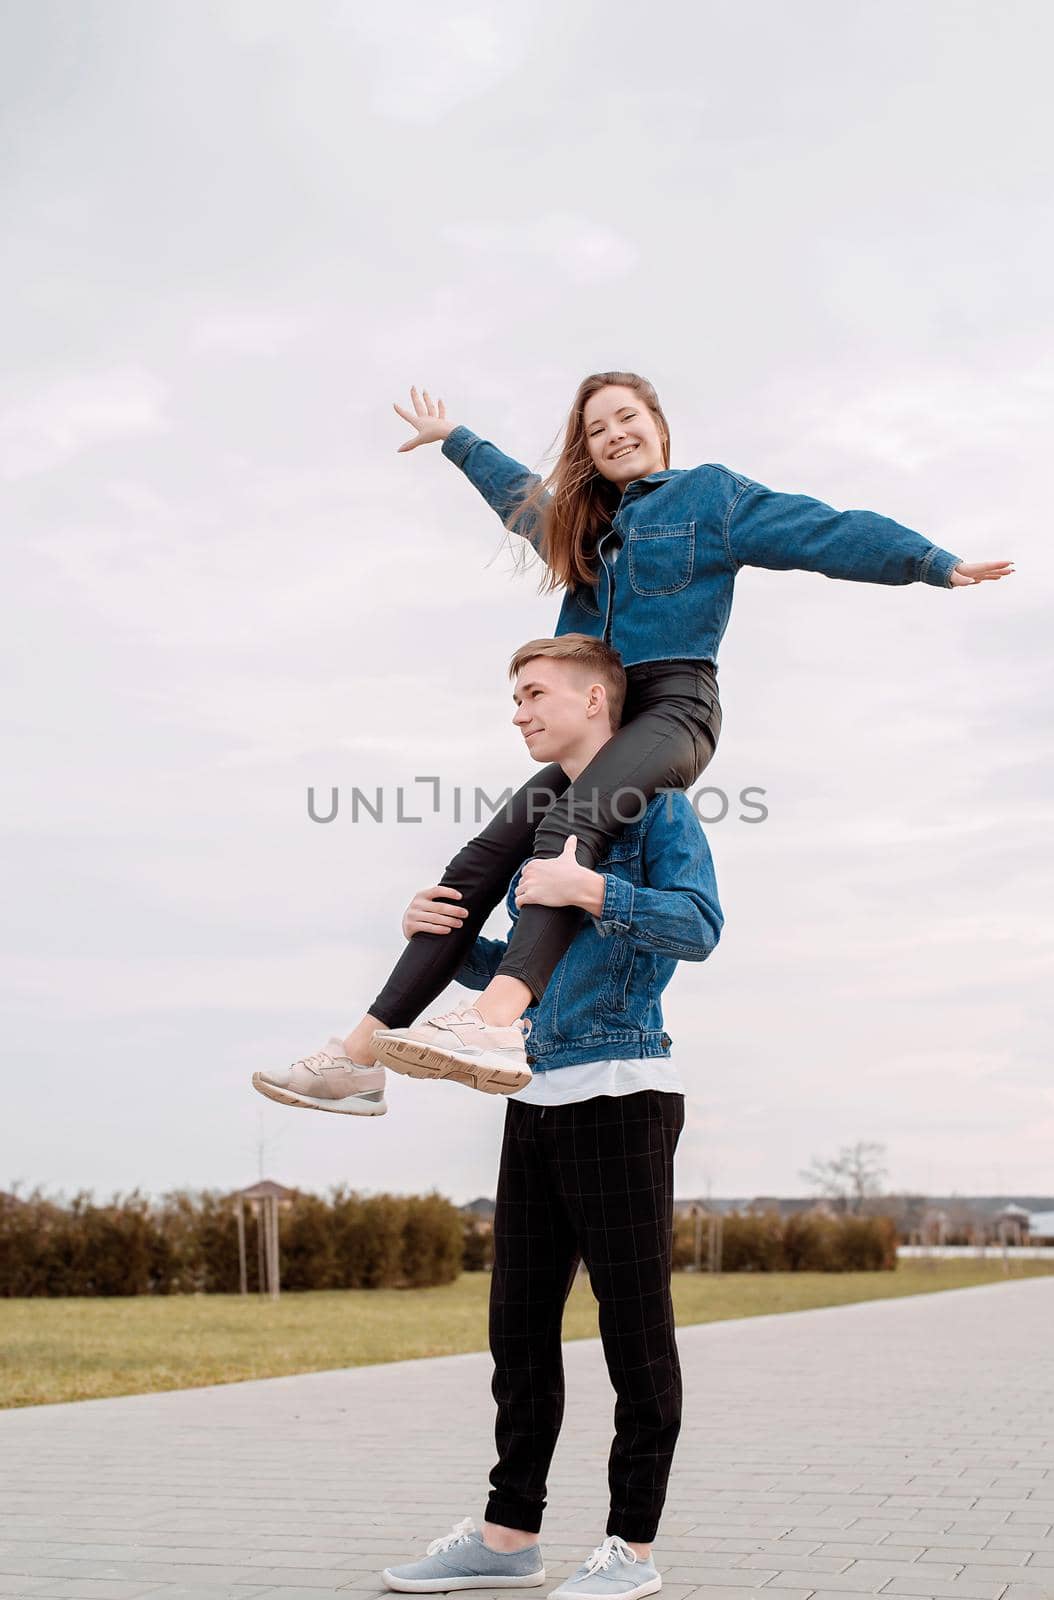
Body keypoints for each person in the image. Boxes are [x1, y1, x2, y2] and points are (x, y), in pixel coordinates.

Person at [253, 371, 1012, 1110]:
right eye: (596, 428)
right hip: (600, 721)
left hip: (673, 707)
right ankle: (358, 1057)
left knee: (572, 823)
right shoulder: (582, 527)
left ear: (658, 425)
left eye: (626, 418)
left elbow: (820, 529)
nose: (614, 435)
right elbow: (522, 500)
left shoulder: (708, 497)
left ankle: (495, 1023)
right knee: (479, 861)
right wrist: (457, 438)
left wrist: (930, 563)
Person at [378, 635, 722, 1600]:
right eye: (514, 697)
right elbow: (530, 970)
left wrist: (595, 888)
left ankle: (632, 1551)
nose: (518, 712)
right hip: (529, 1092)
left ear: (597, 705)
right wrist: (444, 941)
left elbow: (699, 925)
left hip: (623, 1094)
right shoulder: (540, 819)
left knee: (633, 1333)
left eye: (534, 694)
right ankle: (507, 1536)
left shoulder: (658, 807)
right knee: (518, 1330)